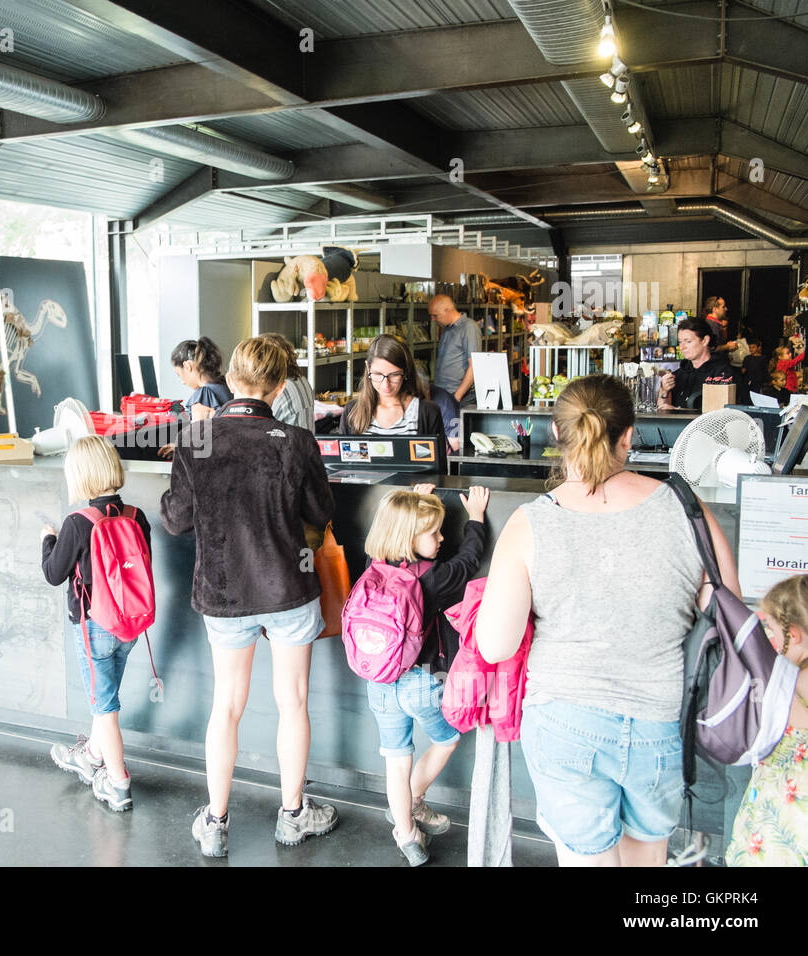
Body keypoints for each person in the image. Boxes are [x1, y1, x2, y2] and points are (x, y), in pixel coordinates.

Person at [474, 375, 740, 866]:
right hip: (659, 724)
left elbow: (494, 646)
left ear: (557, 434)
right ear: (629, 435)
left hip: (562, 722)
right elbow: (728, 616)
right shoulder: (686, 510)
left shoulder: (533, 521)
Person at [161, 335, 336, 857]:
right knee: (294, 702)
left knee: (227, 705)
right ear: (281, 385)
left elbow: (174, 519)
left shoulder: (196, 438)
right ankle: (293, 815)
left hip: (225, 591)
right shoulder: (296, 440)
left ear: (231, 379)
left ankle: (215, 821)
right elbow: (321, 513)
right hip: (288, 588)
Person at [360, 482, 490, 865]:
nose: (441, 537)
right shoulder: (433, 578)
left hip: (378, 678)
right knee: (448, 740)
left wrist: (417, 502)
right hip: (420, 680)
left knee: (395, 759)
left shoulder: (374, 568)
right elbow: (468, 561)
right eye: (434, 532)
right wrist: (477, 519)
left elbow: (411, 535)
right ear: (411, 538)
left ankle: (407, 835)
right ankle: (415, 800)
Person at [40, 435, 152, 812]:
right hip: (130, 627)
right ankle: (90, 755)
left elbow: (54, 574)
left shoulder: (77, 523)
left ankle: (118, 782)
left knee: (105, 708)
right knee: (103, 698)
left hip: (93, 627)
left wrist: (48, 540)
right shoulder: (137, 516)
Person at [726, 574, 808, 866]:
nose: (771, 640)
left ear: (794, 635)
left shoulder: (789, 684)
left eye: (772, 631)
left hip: (782, 820)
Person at [339, 335, 447, 442]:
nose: (386, 384)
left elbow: (438, 458)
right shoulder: (352, 411)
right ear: (367, 368)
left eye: (394, 375)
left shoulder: (427, 411)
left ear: (405, 371)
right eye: (378, 374)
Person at [658, 316, 746, 409]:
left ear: (705, 340)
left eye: (688, 341)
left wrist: (677, 411)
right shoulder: (679, 374)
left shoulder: (722, 373)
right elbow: (662, 408)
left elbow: (721, 414)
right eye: (680, 342)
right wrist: (664, 391)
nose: (682, 347)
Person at [430, 295, 482, 408]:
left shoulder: (469, 328)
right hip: (444, 394)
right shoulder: (446, 329)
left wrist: (457, 397)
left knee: (457, 425)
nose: (433, 319)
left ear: (447, 310)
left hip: (459, 396)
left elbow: (474, 366)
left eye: (435, 315)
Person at [260, 331, 316, 432]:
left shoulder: (281, 389)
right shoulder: (300, 379)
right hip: (305, 443)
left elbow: (261, 428)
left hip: (289, 446)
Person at [170, 337, 232, 420]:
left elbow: (198, 432)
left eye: (179, 374)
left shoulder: (203, 396)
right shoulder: (227, 383)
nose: (183, 382)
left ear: (187, 366)